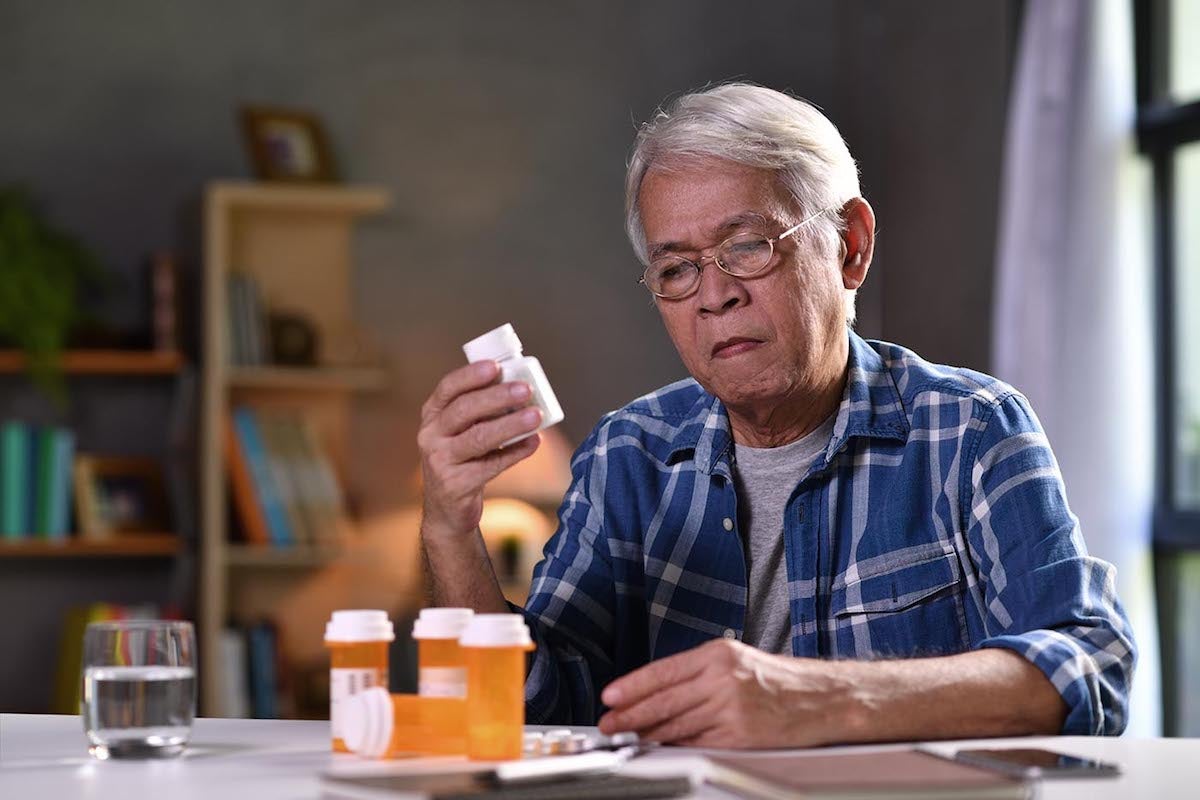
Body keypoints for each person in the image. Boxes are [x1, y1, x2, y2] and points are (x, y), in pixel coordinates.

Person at [417, 83, 1136, 748]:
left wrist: (824, 700)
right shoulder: (626, 457)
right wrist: (450, 531)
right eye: (677, 268)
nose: (714, 295)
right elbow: (531, 710)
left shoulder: (971, 430)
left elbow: (1088, 670)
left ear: (850, 247)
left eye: (747, 248)